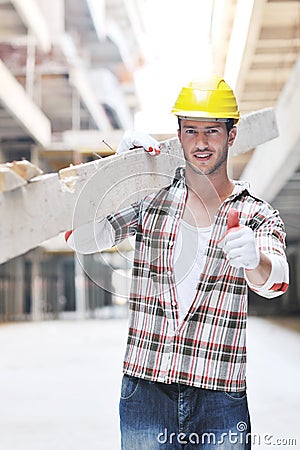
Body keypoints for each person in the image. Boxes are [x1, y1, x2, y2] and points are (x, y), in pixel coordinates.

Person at [66, 76, 289, 449]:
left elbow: (275, 281)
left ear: (232, 136)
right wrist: (118, 173)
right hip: (145, 389)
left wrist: (255, 260)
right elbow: (84, 238)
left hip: (220, 394)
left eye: (213, 132)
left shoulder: (256, 214)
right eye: (191, 131)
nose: (201, 143)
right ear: (180, 134)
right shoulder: (151, 201)